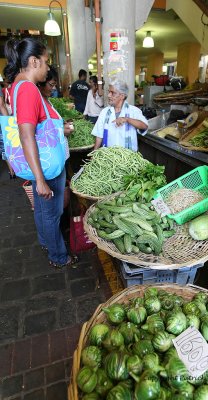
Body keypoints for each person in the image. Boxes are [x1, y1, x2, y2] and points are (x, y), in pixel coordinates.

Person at [4, 37, 78, 269]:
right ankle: (58, 256)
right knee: (50, 214)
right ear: (34, 61)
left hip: (44, 164)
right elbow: (27, 135)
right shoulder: (26, 89)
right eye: (46, 62)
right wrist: (39, 180)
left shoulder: (20, 86)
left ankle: (47, 242)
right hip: (45, 167)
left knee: (43, 210)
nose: (48, 67)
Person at [92, 80, 148, 151]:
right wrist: (93, 154)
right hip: (109, 157)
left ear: (122, 96)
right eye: (109, 92)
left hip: (128, 157)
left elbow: (144, 126)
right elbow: (99, 135)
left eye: (112, 93)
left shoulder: (133, 111)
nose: (109, 95)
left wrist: (127, 119)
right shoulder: (105, 112)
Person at [0, 84, 16, 178]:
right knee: (6, 144)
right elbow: (1, 105)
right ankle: (13, 169)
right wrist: (7, 124)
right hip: (1, 122)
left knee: (3, 148)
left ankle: (11, 171)